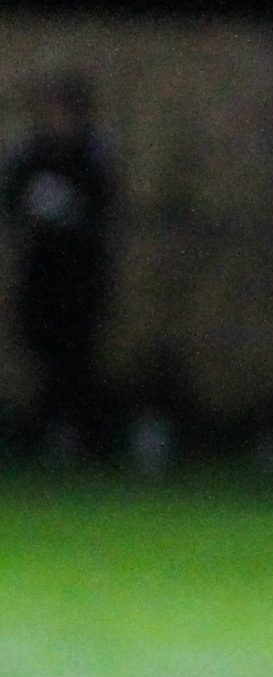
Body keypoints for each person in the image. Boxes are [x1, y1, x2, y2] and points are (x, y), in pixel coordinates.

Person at [3, 72, 117, 464]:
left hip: (81, 273)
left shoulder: (92, 152)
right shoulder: (30, 151)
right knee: (41, 346)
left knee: (76, 355)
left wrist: (68, 209)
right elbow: (12, 194)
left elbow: (101, 202)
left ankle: (76, 433)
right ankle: (51, 429)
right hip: (42, 271)